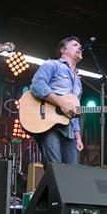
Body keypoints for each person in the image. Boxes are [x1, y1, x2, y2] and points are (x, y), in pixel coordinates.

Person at [30, 36, 84, 168]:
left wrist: (78, 135)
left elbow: (74, 110)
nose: (80, 47)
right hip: (49, 125)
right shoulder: (52, 64)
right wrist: (62, 103)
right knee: (54, 169)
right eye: (75, 45)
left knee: (71, 174)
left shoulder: (78, 80)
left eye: (80, 45)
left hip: (70, 131)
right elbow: (37, 85)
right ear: (63, 50)